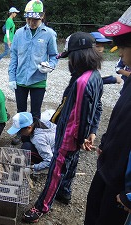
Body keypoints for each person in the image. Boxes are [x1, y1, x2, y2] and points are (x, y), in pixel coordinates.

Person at [23, 32, 103, 223]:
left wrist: (82, 136)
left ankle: (41, 206)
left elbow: (80, 116)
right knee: (71, 163)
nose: (69, 64)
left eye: (70, 58)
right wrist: (92, 131)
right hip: (75, 135)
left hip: (70, 135)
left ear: (78, 57)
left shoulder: (82, 82)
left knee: (56, 169)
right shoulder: (94, 76)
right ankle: (65, 192)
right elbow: (97, 106)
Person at [84, 6, 131, 224]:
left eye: (124, 46)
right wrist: (106, 141)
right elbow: (120, 120)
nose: (119, 53)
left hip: (123, 186)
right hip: (108, 167)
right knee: (93, 212)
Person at [8, 0, 58, 145]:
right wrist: (12, 77)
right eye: (29, 19)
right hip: (21, 79)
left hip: (38, 80)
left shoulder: (49, 34)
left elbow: (54, 56)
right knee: (21, 110)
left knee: (35, 112)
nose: (31, 22)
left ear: (42, 16)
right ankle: (20, 134)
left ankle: (34, 136)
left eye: (35, 19)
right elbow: (14, 57)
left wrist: (50, 66)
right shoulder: (18, 33)